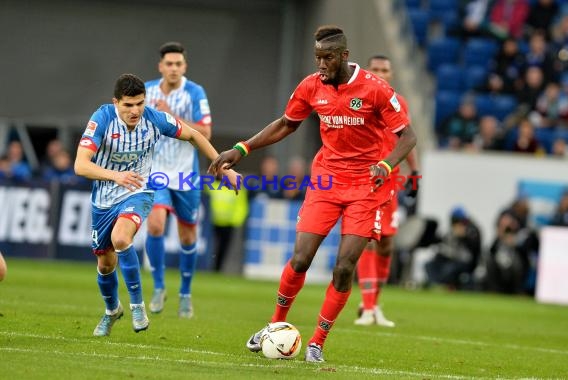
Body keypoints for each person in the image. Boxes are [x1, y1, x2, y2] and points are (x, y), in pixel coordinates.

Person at [209, 25, 416, 362]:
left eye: (328, 58)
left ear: (345, 56)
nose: (321, 64)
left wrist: (387, 165)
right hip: (327, 181)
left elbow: (408, 137)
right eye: (317, 57)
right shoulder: (311, 86)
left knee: (344, 267)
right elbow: (286, 123)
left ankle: (318, 341)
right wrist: (242, 148)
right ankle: (274, 326)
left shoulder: (376, 90)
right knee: (301, 258)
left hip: (366, 186)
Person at [74, 73, 237, 337]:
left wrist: (223, 167)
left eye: (139, 103)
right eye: (128, 105)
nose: (135, 110)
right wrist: (116, 176)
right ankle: (112, 310)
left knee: (121, 238)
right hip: (104, 198)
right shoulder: (102, 119)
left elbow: (195, 135)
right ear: (116, 102)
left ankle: (138, 306)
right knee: (105, 265)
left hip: (139, 191)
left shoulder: (154, 118)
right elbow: (80, 165)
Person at [143, 42, 213, 318]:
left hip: (185, 174)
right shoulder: (145, 91)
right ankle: (159, 286)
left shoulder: (195, 93)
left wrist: (171, 116)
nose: (173, 68)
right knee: (156, 224)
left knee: (188, 235)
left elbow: (205, 131)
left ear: (184, 66)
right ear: (161, 66)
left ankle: (185, 293)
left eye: (178, 64)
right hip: (154, 171)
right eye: (168, 64)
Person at [354, 54, 420, 327]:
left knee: (386, 243)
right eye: (376, 68)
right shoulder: (357, 99)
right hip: (363, 178)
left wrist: (414, 174)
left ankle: (374, 304)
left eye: (385, 69)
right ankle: (368, 307)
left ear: (391, 74)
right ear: (368, 71)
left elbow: (405, 139)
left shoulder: (399, 103)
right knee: (367, 238)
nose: (380, 73)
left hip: (391, 181)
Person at [424, 207, 482, 290]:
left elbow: (473, 253)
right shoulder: (451, 230)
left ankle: (446, 287)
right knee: (429, 265)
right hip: (449, 259)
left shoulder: (472, 231)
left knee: (449, 269)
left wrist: (463, 237)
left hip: (464, 262)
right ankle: (436, 285)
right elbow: (443, 244)